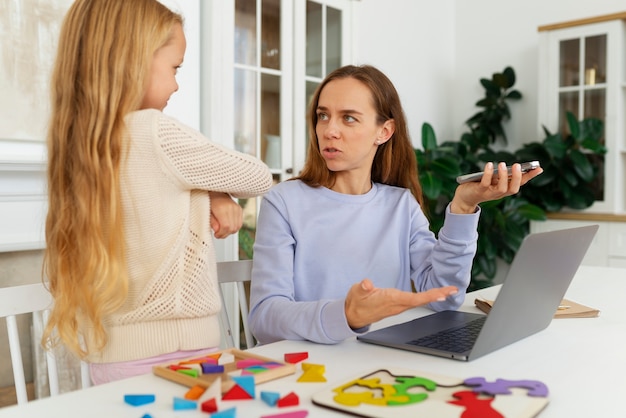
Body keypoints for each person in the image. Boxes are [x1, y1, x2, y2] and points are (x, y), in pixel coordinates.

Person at [42, 0, 273, 384]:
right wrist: (214, 190)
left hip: (111, 362)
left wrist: (208, 191)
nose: (178, 82)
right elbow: (257, 176)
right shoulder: (155, 131)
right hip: (182, 355)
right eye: (174, 67)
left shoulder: (81, 146)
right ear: (132, 60)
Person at [248, 64, 542, 345]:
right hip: (309, 366)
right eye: (323, 116)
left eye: (348, 118)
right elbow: (264, 317)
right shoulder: (284, 202)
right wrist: (345, 315)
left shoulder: (400, 205)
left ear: (384, 131)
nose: (329, 130)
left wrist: (463, 208)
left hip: (387, 359)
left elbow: (444, 296)